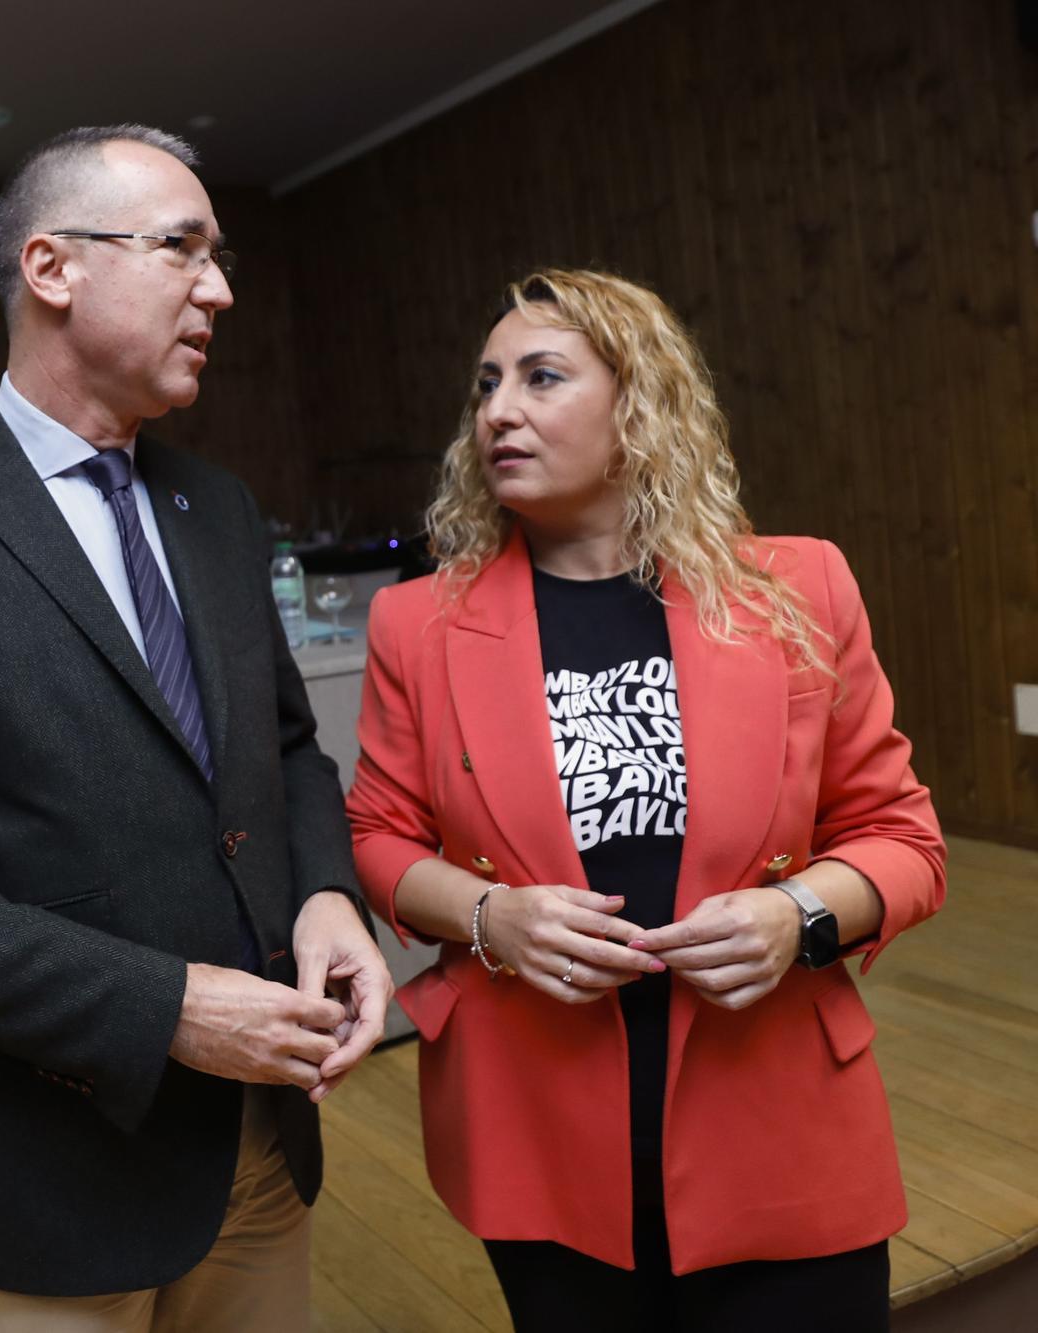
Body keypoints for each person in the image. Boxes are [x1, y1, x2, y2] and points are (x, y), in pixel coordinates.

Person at [0, 124, 393, 1331]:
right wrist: (165, 1008)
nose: (216, 288)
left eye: (217, 256)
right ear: (54, 269)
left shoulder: (214, 507)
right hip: (53, 1174)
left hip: (260, 1155)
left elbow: (281, 750)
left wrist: (326, 892)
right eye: (181, 248)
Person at [346, 268, 944, 1332]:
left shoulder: (797, 589)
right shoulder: (416, 627)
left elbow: (898, 836)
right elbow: (380, 837)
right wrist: (491, 916)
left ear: (639, 404)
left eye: (539, 377)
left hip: (774, 1111)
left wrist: (796, 914)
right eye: (485, 385)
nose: (497, 410)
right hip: (534, 1115)